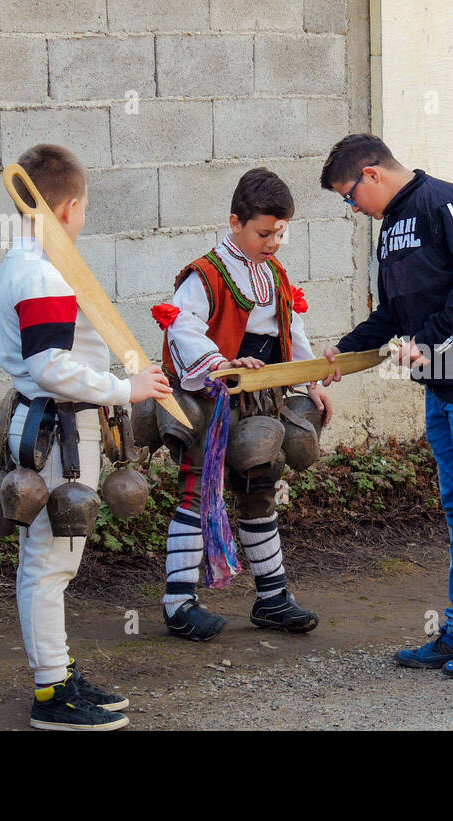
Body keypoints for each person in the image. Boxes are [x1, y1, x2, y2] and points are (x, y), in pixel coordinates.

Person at [318, 133, 453, 678]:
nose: (352, 209)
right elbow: (392, 313)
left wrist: (435, 345)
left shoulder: (447, 202)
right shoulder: (390, 231)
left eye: (349, 197)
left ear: (371, 175)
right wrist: (344, 350)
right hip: (442, 384)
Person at [0, 143, 173, 730]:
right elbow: (49, 367)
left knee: (48, 562)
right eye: (84, 205)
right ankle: (50, 694)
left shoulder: (24, 264)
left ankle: (58, 674)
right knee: (50, 565)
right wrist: (126, 388)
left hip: (49, 424)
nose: (85, 215)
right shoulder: (40, 272)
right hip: (58, 429)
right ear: (67, 207)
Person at [157, 167, 332, 640]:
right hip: (210, 403)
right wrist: (223, 363)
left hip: (262, 406)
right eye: (263, 232)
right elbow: (182, 330)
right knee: (198, 493)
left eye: (279, 232)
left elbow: (290, 333)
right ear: (235, 222)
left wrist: (312, 379)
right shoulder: (205, 274)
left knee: (260, 490)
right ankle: (179, 603)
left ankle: (272, 599)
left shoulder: (274, 272)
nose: (273, 241)